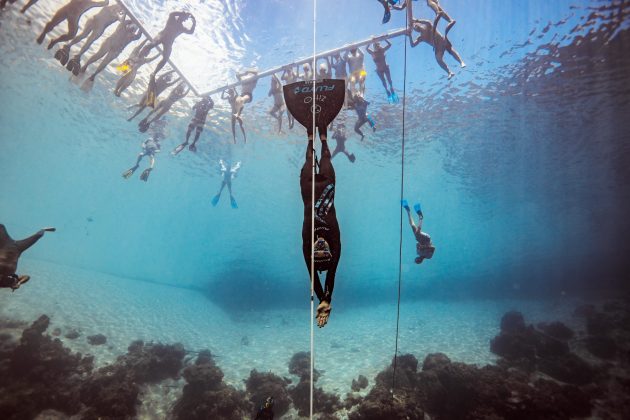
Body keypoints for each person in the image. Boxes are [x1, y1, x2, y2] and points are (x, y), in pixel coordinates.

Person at [300, 128, 341, 328]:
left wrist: (320, 298)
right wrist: (327, 298)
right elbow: (331, 274)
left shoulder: (307, 247)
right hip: (327, 186)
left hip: (307, 188)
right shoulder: (335, 244)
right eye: (326, 251)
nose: (321, 247)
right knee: (325, 157)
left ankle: (310, 135)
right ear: (331, 253)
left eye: (318, 252)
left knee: (309, 159)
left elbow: (313, 277)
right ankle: (323, 137)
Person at [140, 11, 196, 107]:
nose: (185, 20)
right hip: (162, 36)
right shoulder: (172, 18)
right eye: (184, 18)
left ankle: (153, 72)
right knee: (152, 44)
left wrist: (194, 22)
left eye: (186, 19)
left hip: (169, 42)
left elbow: (190, 32)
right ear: (180, 15)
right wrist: (184, 13)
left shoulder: (181, 27)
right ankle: (140, 56)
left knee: (166, 58)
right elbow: (172, 13)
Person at [54, 3, 123, 71]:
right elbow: (110, 8)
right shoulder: (109, 8)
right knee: (83, 35)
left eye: (120, 9)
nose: (118, 9)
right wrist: (119, 10)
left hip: (99, 27)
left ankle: (77, 55)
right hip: (94, 21)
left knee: (89, 41)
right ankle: (68, 47)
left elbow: (121, 20)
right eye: (118, 8)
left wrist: (123, 13)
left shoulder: (117, 16)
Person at [78, 19, 142, 92]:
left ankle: (93, 74)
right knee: (99, 55)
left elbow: (138, 36)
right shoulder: (122, 27)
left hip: (116, 49)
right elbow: (127, 23)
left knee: (104, 62)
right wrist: (136, 23)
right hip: (111, 43)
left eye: (133, 29)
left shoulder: (131, 35)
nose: (132, 30)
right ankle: (86, 66)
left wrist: (140, 27)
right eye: (132, 28)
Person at [0, 224, 55, 291]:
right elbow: (27, 277)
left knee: (1, 227)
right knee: (37, 237)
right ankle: (43, 230)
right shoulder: (9, 282)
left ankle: (43, 230)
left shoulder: (7, 283)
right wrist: (19, 283)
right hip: (17, 249)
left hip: (4, 246)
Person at [36, 0, 109, 50]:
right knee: (52, 24)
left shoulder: (91, 3)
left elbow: (105, 3)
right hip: (65, 11)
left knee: (72, 35)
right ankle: (43, 33)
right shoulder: (91, 3)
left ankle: (54, 41)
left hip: (74, 18)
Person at [402, 199, 435, 264]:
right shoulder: (428, 256)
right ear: (421, 261)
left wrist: (420, 246)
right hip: (427, 239)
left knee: (412, 226)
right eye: (418, 260)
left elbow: (417, 244)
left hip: (420, 239)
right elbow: (433, 248)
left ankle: (408, 210)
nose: (418, 258)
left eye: (417, 259)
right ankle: (421, 218)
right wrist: (425, 246)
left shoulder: (418, 252)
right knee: (417, 234)